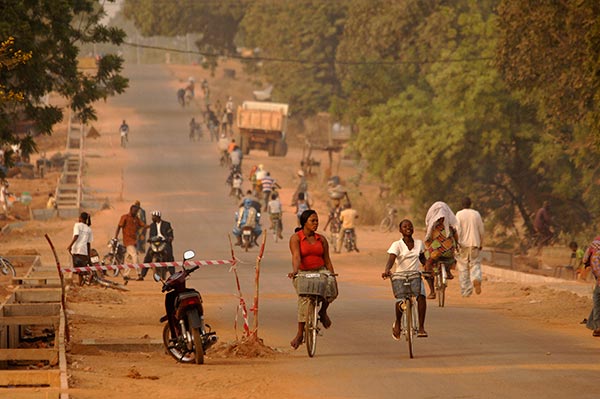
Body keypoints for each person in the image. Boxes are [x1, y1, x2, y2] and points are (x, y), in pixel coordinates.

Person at [288, 210, 337, 349]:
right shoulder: (296, 238)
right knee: (304, 299)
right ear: (304, 222)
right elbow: (296, 256)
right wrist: (295, 271)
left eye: (317, 221)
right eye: (312, 221)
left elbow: (327, 260)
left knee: (332, 290)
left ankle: (322, 311)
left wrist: (332, 275)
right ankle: (299, 334)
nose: (316, 223)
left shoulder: (321, 239)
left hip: (320, 270)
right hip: (303, 271)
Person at [381, 219, 428, 339]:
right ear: (400, 230)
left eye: (410, 226)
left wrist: (429, 268)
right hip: (401, 277)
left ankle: (421, 327)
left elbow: (423, 259)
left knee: (422, 297)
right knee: (400, 301)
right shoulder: (396, 245)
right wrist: (387, 270)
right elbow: (391, 260)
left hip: (415, 276)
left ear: (413, 229)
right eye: (405, 226)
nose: (408, 228)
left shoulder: (419, 243)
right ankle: (398, 322)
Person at [423, 201, 459, 299]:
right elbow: (456, 237)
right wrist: (456, 246)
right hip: (449, 252)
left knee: (427, 265)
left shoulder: (432, 226)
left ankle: (432, 292)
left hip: (436, 252)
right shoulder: (450, 226)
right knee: (450, 257)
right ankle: (448, 271)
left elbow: (427, 240)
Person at [455, 197, 485, 297]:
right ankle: (476, 278)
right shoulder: (476, 214)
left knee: (463, 267)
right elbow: (481, 230)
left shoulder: (459, 214)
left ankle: (466, 291)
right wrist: (481, 243)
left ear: (462, 204)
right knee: (475, 264)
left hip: (463, 245)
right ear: (470, 204)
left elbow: (457, 230)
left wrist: (456, 244)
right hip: (475, 243)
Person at [114, 204, 146, 281]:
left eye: (136, 211)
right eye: (134, 211)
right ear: (131, 210)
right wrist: (116, 236)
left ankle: (126, 274)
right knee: (134, 255)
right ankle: (139, 274)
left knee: (128, 258)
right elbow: (119, 226)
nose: (135, 213)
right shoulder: (125, 217)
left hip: (134, 241)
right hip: (128, 241)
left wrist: (151, 225)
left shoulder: (136, 218)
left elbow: (142, 225)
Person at [141, 210, 175, 279]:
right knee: (147, 258)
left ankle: (173, 275)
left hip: (164, 242)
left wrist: (169, 238)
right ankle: (142, 275)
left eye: (153, 216)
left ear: (157, 217)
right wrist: (149, 240)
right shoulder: (152, 225)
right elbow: (151, 235)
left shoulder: (166, 224)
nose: (152, 218)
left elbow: (170, 233)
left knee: (170, 257)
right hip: (155, 243)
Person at [582, 235, 600, 337]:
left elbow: (585, 259)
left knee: (597, 300)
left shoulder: (595, 243)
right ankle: (594, 326)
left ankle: (597, 326)